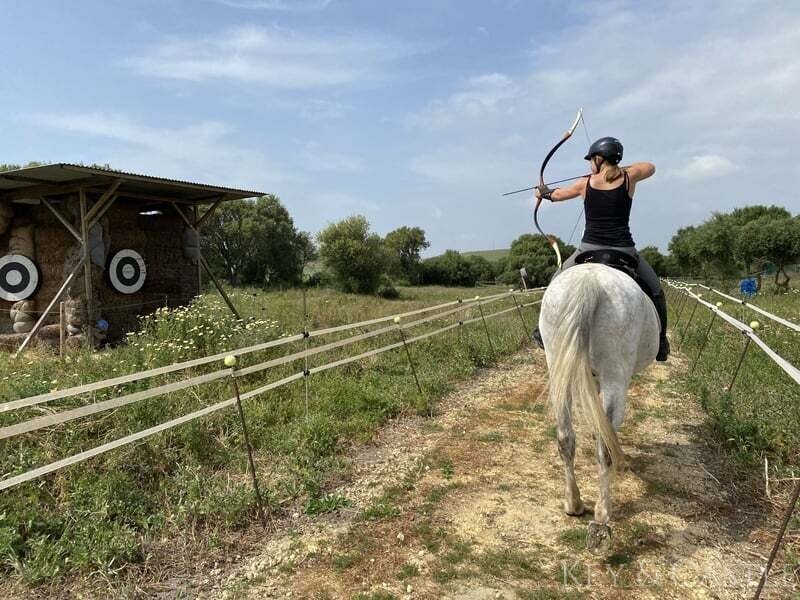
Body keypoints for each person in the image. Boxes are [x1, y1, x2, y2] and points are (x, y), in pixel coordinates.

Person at [533, 136, 670, 361]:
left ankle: (542, 331)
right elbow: (650, 167)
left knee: (555, 283)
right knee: (655, 291)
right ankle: (661, 342)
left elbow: (556, 196)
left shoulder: (584, 183)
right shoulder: (629, 177)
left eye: (591, 160)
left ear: (598, 159)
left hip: (588, 249)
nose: (589, 165)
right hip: (624, 250)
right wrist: (619, 168)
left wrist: (542, 193)